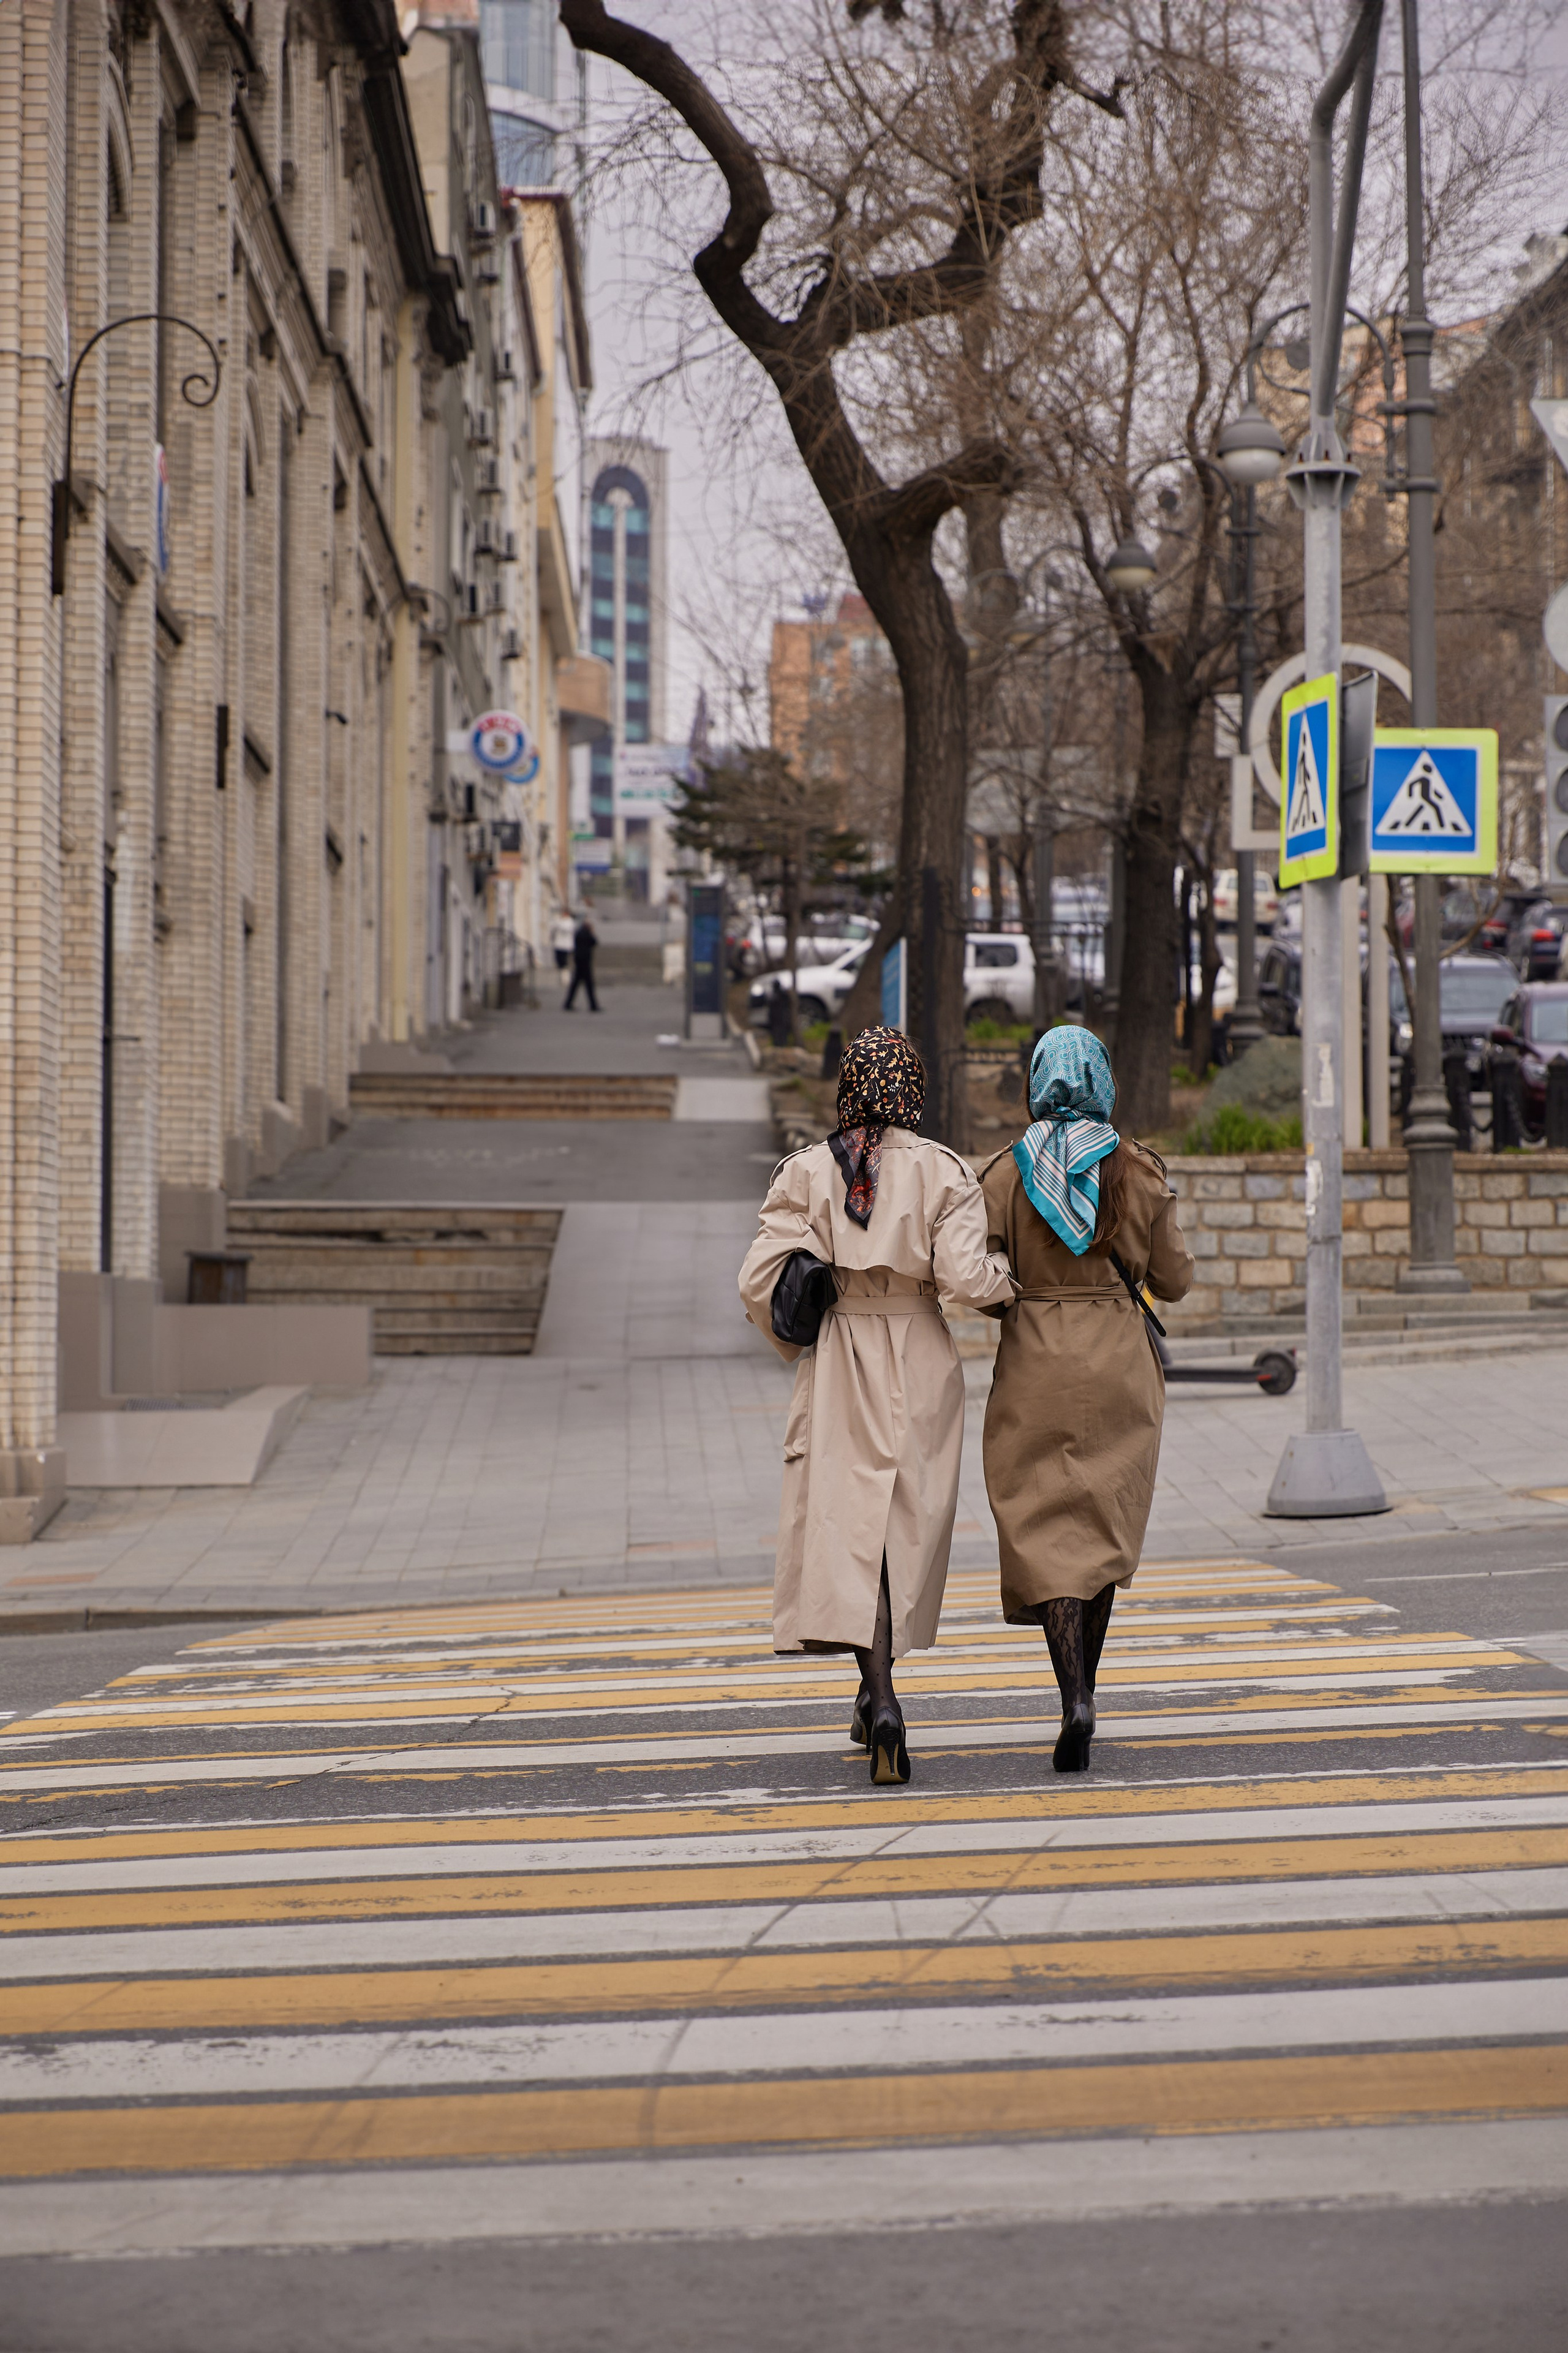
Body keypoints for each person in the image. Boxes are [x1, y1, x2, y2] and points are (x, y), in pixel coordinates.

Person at [739, 1029, 1017, 1786]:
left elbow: (758, 1280)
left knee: (849, 1521)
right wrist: (1008, 1290)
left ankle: (878, 1694)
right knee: (904, 1525)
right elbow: (965, 1276)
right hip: (920, 1351)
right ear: (911, 1089)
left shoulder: (804, 1172)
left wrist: (797, 1326)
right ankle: (882, 1692)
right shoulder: (942, 1169)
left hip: (842, 1351)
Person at [981, 1027, 1193, 1773]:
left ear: (1038, 1079)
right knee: (1101, 1524)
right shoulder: (1136, 1169)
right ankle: (1088, 1691)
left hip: (1035, 1360)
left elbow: (979, 1276)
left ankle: (1071, 1690)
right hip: (1116, 1363)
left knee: (1045, 1532)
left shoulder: (1006, 1173)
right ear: (1100, 1078)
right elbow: (1173, 1280)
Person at [564, 912, 600, 1011]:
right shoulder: (587, 933)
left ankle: (568, 1004)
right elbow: (594, 942)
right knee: (588, 985)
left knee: (576, 984)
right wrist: (592, 933)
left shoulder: (578, 933)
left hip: (579, 960)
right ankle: (593, 1006)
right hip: (585, 962)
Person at [550, 909, 575, 986]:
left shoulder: (570, 922)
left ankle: (566, 978)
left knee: (565, 962)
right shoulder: (559, 921)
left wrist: (558, 924)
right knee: (559, 962)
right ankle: (561, 976)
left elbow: (566, 929)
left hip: (566, 946)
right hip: (558, 945)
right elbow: (553, 928)